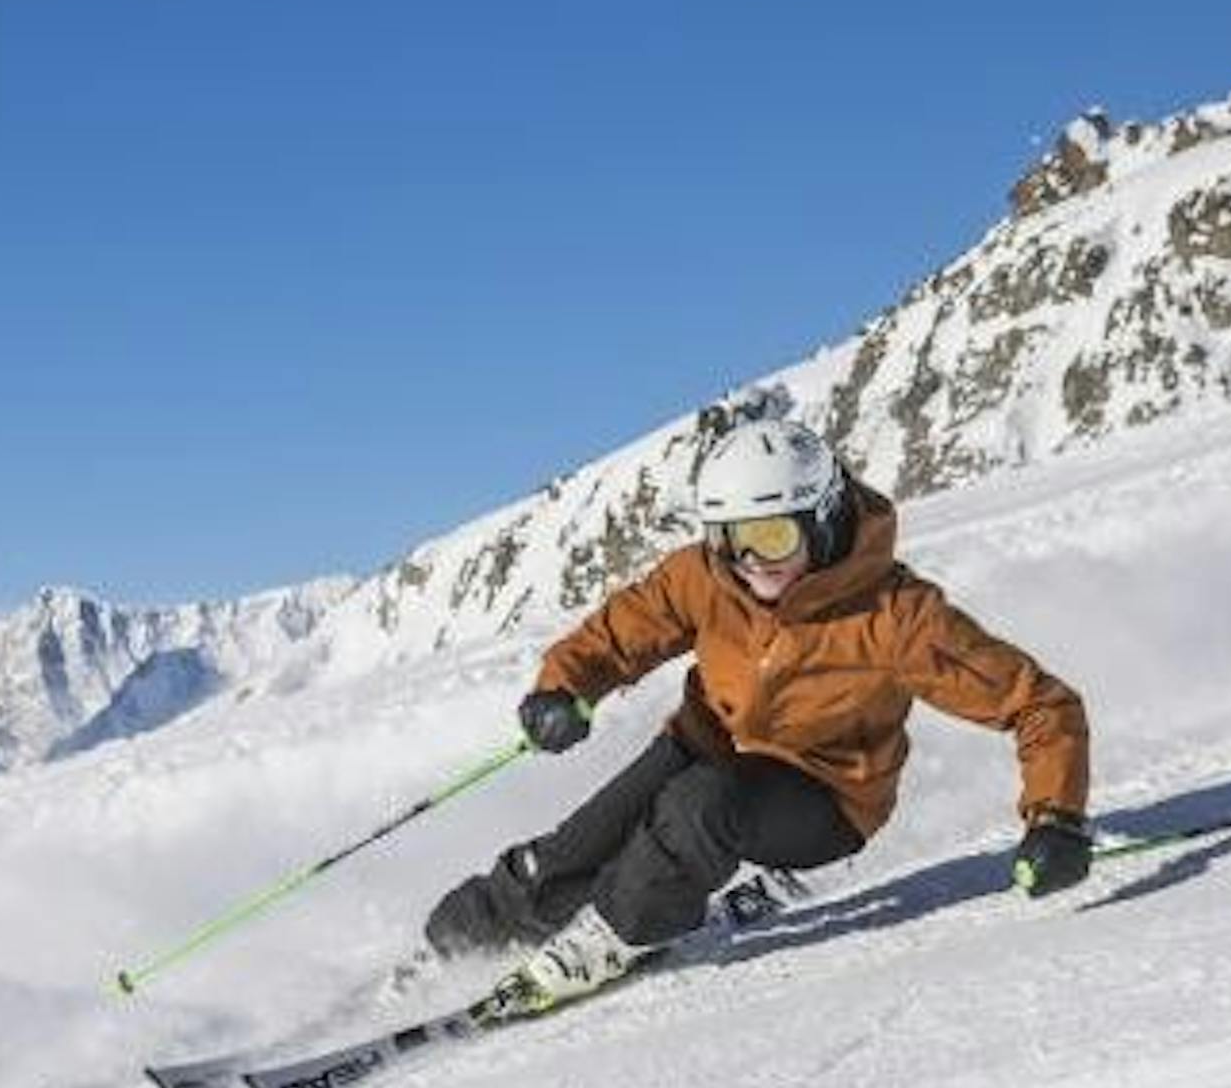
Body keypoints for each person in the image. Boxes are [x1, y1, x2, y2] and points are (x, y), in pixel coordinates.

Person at [422, 409, 1092, 1007]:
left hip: (826, 797)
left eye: (771, 538)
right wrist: (565, 688)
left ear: (822, 518)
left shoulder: (897, 616)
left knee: (697, 809)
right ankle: (470, 936)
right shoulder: (708, 576)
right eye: (729, 538)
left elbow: (1040, 705)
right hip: (704, 747)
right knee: (582, 841)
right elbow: (623, 631)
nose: (749, 562)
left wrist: (1056, 819)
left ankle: (618, 933)